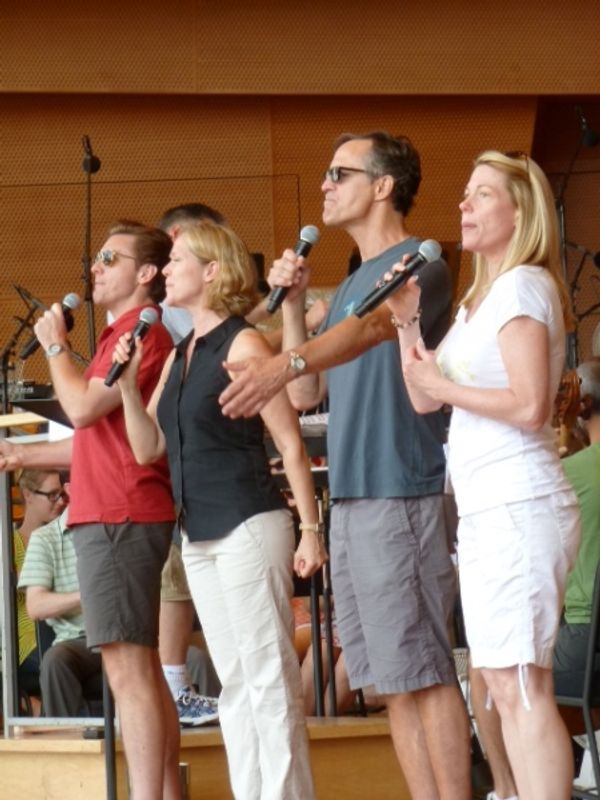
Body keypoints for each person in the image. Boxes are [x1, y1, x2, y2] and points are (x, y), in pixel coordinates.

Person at [221, 131, 471, 800]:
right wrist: (297, 312)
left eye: (340, 172)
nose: (325, 185)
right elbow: (305, 395)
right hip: (357, 495)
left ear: (384, 185)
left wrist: (283, 359)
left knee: (422, 669)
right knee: (390, 678)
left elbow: (366, 333)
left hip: (401, 483)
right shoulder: (352, 279)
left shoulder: (420, 261)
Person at [385, 150, 581, 800]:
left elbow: (529, 406)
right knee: (500, 683)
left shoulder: (525, 285)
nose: (463, 204)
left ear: (520, 213)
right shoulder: (479, 299)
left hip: (519, 504)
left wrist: (440, 380)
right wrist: (409, 319)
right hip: (488, 509)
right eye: (465, 193)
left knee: (522, 684)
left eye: (482, 194)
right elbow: (424, 396)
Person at [111, 219, 326, 799]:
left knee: (268, 678)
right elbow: (148, 446)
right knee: (236, 682)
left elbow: (288, 440)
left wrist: (310, 529)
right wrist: (130, 387)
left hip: (248, 520)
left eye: (179, 258)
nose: (168, 268)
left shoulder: (244, 342)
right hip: (199, 532)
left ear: (211, 271)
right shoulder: (183, 352)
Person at [0, 221, 181, 799]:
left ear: (146, 273)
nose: (95, 269)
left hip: (121, 515)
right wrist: (19, 453)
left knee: (128, 673)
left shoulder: (142, 333)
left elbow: (79, 409)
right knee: (141, 672)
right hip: (111, 513)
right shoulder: (118, 336)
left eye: (110, 258)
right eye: (96, 259)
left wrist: (54, 345)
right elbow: (91, 439)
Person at [470, 357, 600, 800]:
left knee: (493, 671)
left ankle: (507, 789)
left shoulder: (569, 474)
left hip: (587, 646)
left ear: (579, 405)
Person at [18, 498, 103, 718]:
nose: (57, 502)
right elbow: (34, 606)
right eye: (50, 494)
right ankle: (66, 739)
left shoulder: (121, 528)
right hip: (72, 639)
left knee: (194, 659)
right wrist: (88, 597)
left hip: (130, 633)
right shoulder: (44, 539)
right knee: (55, 660)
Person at [13, 469, 68, 706]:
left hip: (63, 632)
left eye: (63, 495)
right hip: (26, 643)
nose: (60, 502)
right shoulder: (9, 544)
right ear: (28, 495)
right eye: (53, 495)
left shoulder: (64, 540)